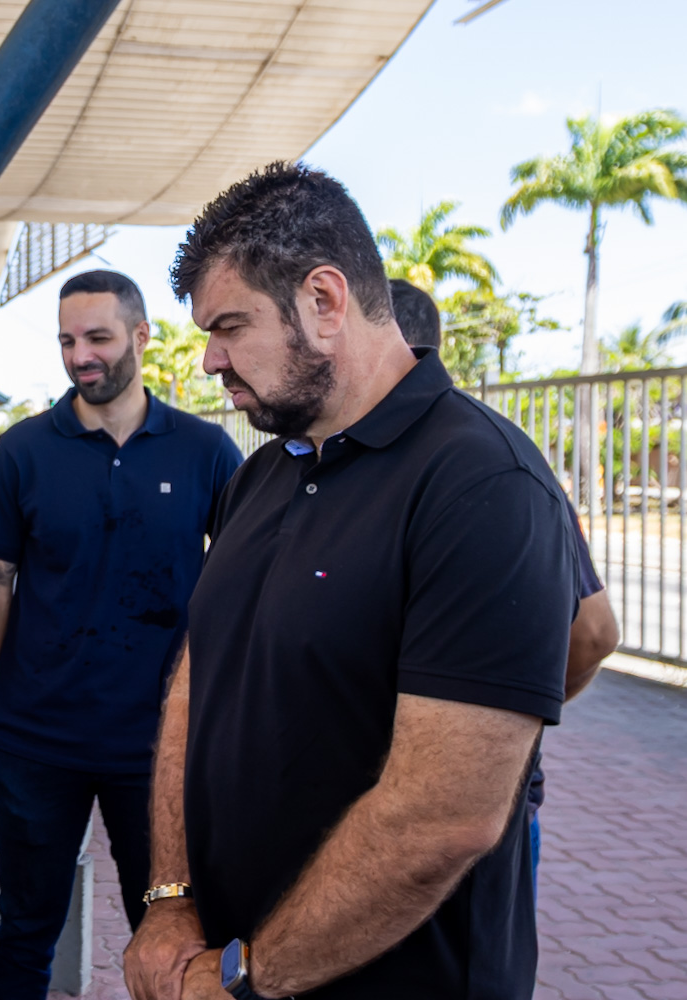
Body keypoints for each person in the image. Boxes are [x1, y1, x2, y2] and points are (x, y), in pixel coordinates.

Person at [124, 162, 577, 1000]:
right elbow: (197, 679)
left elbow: (444, 817)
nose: (210, 360)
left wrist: (244, 977)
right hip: (227, 961)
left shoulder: (483, 486)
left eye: (230, 326)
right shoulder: (261, 474)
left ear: (325, 302)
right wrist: (171, 899)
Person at [0, 270, 242, 999]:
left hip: (157, 753)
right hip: (34, 741)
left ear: (142, 337)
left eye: (97, 337)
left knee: (177, 935)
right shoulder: (24, 449)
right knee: (25, 929)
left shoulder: (205, 451)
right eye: (66, 340)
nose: (79, 355)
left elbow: (245, 588)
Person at [388, 278, 619, 889]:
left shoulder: (486, 465)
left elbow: (595, 633)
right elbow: (594, 631)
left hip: (457, 818)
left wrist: (494, 718)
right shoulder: (485, 451)